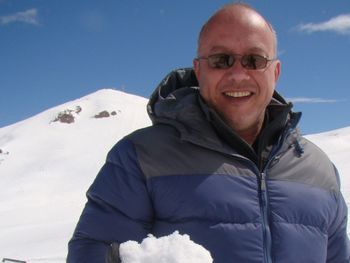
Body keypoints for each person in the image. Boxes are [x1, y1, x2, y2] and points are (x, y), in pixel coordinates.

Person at [67, 3, 350, 263]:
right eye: (221, 59)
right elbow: (91, 252)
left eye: (254, 60)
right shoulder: (140, 160)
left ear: (275, 72)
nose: (238, 74)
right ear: (199, 70)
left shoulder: (319, 170)